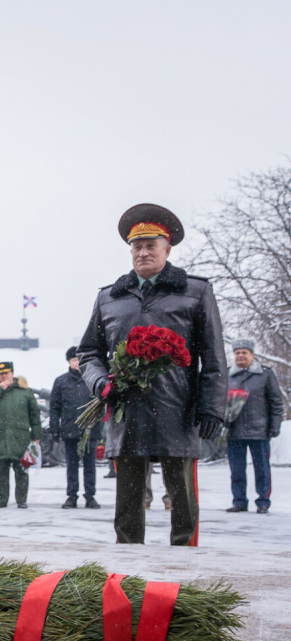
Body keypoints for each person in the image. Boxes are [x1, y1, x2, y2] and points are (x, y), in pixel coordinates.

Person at [78, 203, 226, 545]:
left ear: (167, 248)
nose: (143, 252)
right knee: (127, 511)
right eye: (137, 247)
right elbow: (88, 353)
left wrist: (212, 408)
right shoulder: (109, 298)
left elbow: (213, 358)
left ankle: (186, 576)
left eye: (150, 245)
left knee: (183, 503)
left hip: (178, 411)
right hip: (126, 413)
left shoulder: (195, 292)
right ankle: (129, 579)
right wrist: (101, 383)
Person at [226, 338, 284, 514]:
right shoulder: (228, 374)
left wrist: (274, 426)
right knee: (236, 471)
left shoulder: (265, 374)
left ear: (252, 355)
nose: (240, 356)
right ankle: (239, 501)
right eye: (237, 353)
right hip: (235, 430)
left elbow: (276, 402)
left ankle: (263, 501)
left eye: (244, 353)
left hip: (260, 430)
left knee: (262, 470)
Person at [0, 361, 43, 509]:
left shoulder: (25, 392)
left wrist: (36, 437)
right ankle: (2, 500)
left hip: (20, 437)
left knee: (21, 471)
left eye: (6, 373)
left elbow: (34, 415)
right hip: (0, 437)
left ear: (12, 373)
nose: (3, 376)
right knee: (1, 472)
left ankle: (21, 500)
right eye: (0, 374)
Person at [50, 347, 101, 509]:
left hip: (90, 430)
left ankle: (90, 496)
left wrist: (99, 428)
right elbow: (54, 407)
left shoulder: (93, 380)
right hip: (70, 429)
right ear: (69, 362)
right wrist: (54, 428)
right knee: (71, 465)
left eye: (79, 360)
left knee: (90, 466)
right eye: (74, 360)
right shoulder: (61, 382)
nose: (77, 363)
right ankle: (72, 496)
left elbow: (102, 405)